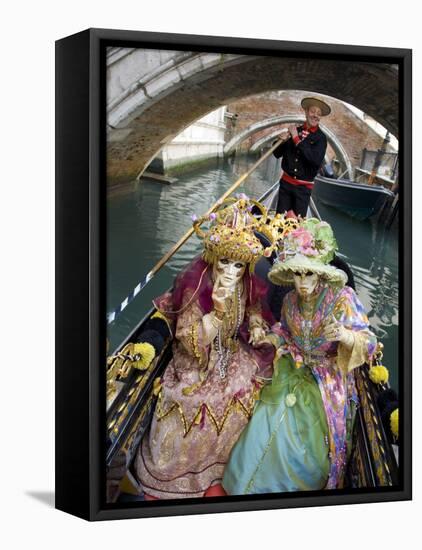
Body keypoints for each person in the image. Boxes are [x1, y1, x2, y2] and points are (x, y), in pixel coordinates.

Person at [134, 197, 278, 499]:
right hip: (196, 360)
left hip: (230, 352)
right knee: (191, 401)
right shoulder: (194, 283)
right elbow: (189, 340)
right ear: (213, 257)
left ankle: (227, 465)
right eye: (225, 262)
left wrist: (254, 326)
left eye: (238, 265)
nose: (230, 272)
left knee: (250, 388)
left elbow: (253, 308)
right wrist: (217, 312)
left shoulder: (246, 283)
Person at [222, 218, 377, 494]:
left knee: (303, 440)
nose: (302, 282)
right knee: (264, 413)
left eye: (309, 274)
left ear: (320, 273)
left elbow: (369, 343)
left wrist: (344, 335)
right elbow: (284, 330)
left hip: (326, 382)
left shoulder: (342, 298)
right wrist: (270, 337)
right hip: (290, 366)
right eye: (297, 274)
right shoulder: (290, 300)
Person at [273, 97, 330, 217]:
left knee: (296, 229)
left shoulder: (321, 139)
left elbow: (314, 160)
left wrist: (296, 139)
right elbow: (277, 154)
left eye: (319, 114)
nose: (315, 115)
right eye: (313, 111)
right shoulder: (295, 131)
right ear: (306, 112)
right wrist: (280, 140)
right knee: (279, 222)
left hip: (303, 190)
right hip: (286, 186)